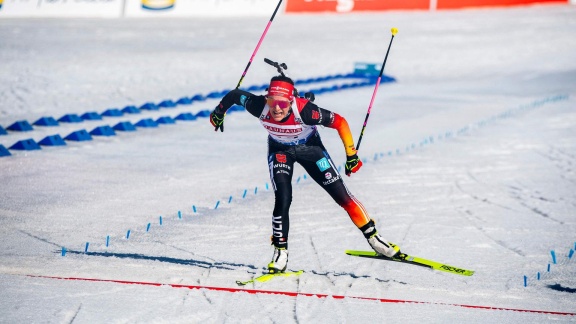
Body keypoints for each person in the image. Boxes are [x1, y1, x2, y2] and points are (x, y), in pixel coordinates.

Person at [209, 74, 400, 273]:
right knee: (283, 197)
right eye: (272, 101)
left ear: (291, 101)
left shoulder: (307, 111)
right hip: (280, 150)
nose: (276, 108)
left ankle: (375, 239)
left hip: (311, 150)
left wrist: (351, 155)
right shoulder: (258, 105)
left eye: (282, 104)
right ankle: (280, 251)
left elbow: (340, 122)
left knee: (343, 197)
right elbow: (233, 95)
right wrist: (218, 112)